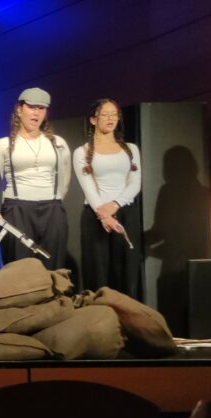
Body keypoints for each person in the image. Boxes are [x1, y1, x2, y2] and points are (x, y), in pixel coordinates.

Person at [0, 88, 72, 270]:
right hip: (17, 208)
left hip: (52, 208)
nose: (36, 113)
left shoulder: (57, 143)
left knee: (52, 266)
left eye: (41, 108)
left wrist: (54, 200)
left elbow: (65, 179)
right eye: (31, 107)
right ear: (19, 109)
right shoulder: (4, 144)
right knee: (18, 267)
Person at [73, 98, 143, 299]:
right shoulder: (82, 152)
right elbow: (88, 187)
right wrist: (104, 215)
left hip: (125, 213)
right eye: (104, 114)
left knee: (126, 272)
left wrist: (116, 204)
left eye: (114, 114)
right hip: (96, 216)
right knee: (98, 273)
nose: (110, 118)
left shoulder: (130, 149)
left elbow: (135, 183)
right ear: (93, 119)